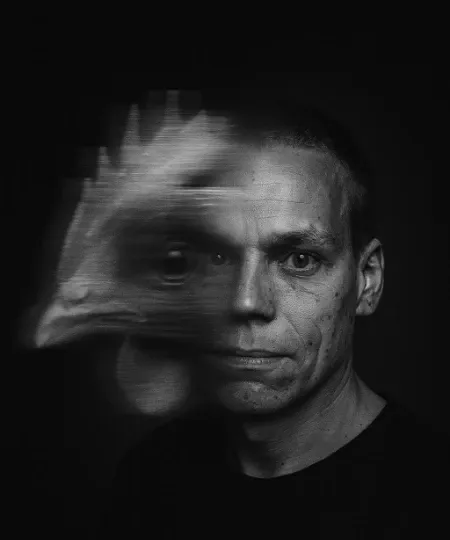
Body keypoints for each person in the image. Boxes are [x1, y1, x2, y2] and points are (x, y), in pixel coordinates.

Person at [36, 90, 448, 538]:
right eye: (216, 258)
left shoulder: (430, 497)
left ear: (367, 281)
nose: (246, 301)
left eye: (300, 260)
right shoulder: (147, 481)